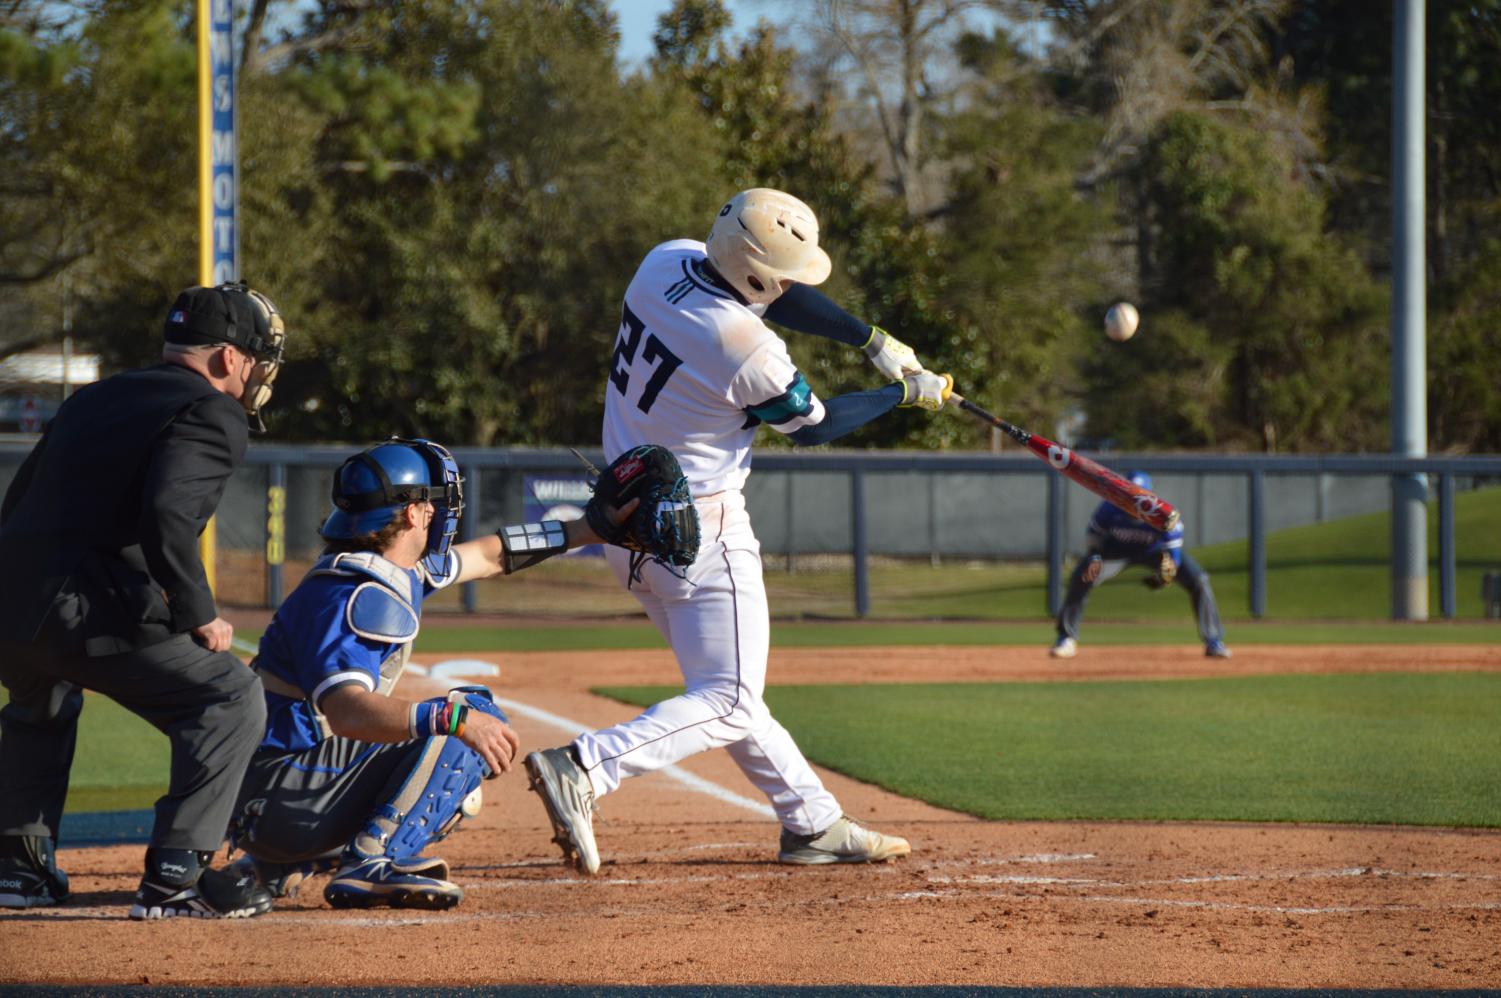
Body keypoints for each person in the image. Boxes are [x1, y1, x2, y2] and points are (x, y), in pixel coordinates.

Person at [524, 187, 953, 875]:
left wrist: (869, 340)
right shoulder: (746, 347)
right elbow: (813, 427)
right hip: (702, 533)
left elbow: (768, 289)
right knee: (727, 698)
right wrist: (903, 392)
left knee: (724, 691)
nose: (787, 284)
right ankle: (584, 766)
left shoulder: (662, 262)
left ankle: (811, 823)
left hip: (625, 523)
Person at [226, 438, 636, 910]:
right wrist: (453, 719)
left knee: (445, 748)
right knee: (469, 718)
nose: (443, 514)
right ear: (414, 514)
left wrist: (594, 527)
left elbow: (492, 555)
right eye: (436, 504)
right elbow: (347, 711)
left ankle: (278, 865)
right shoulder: (358, 594)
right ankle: (370, 863)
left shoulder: (375, 570)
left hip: (269, 796)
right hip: (281, 795)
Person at [0, 282, 287, 918]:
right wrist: (199, 612)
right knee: (230, 698)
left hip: (12, 610)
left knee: (40, 702)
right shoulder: (214, 411)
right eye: (257, 356)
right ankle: (174, 880)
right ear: (227, 358)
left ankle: (19, 872)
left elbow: (18, 501)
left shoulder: (98, 396)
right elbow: (167, 515)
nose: (260, 370)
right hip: (81, 609)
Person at [1049, 471, 1231, 660]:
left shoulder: (1164, 515)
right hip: (1115, 551)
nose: (1133, 501)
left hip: (1154, 553)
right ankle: (1066, 638)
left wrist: (1164, 577)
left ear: (1149, 496)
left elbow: (1173, 558)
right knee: (1081, 577)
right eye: (1129, 495)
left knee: (1199, 580)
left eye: (1139, 496)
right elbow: (1094, 537)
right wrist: (1094, 558)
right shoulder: (1110, 508)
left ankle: (1214, 641)